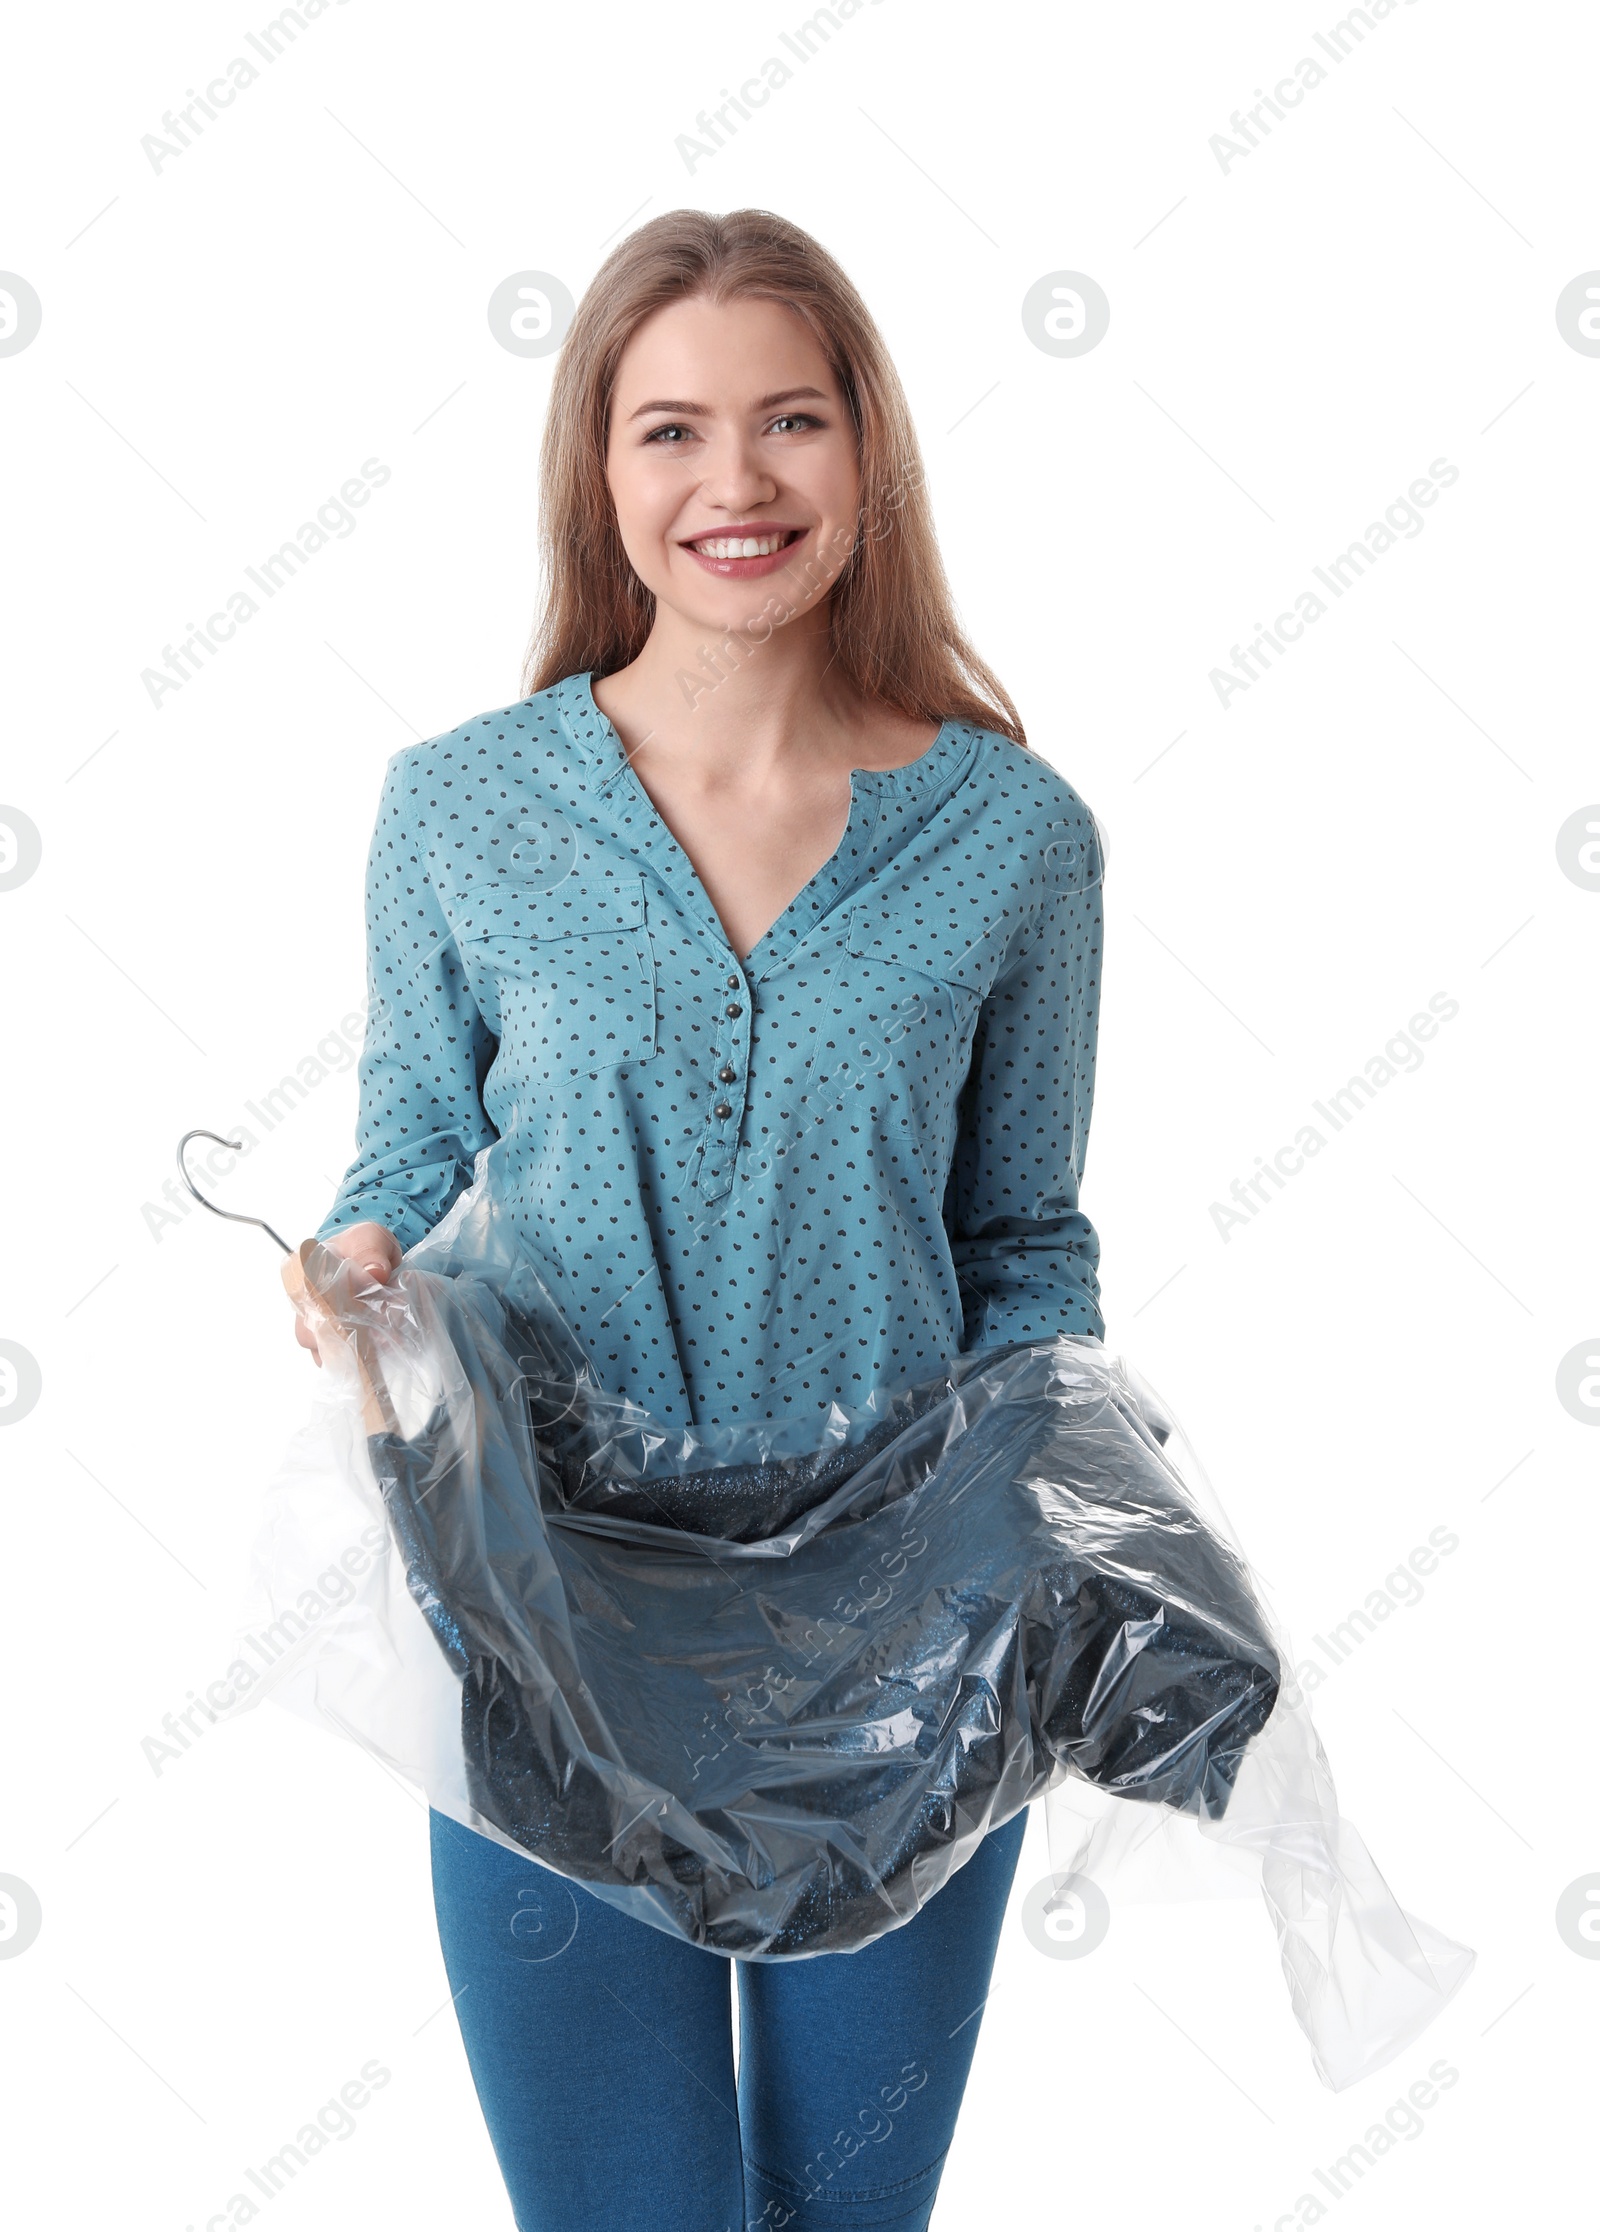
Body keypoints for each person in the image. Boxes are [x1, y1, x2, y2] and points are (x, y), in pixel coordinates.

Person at [299, 207, 1106, 2232]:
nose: (731, 484)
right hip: (543, 1604)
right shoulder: (459, 808)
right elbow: (401, 1147)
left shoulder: (1013, 836)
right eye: (667, 432)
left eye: (788, 423)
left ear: (865, 458)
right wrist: (351, 1267)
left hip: (906, 1634)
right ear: (597, 469)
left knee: (839, 2221)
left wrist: (1082, 1514)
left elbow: (1023, 1239)